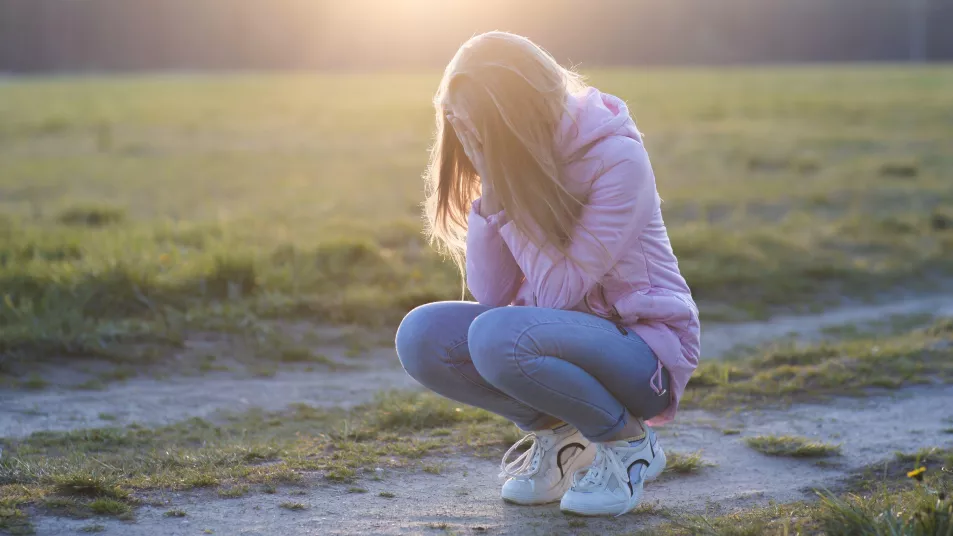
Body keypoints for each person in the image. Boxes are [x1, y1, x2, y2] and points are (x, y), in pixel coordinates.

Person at [395, 31, 700, 517]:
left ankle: (628, 445)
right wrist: (493, 194)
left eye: (479, 129)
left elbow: (557, 294)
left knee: (498, 337)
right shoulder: (512, 164)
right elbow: (492, 293)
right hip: (554, 337)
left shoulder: (617, 159)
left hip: (644, 354)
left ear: (516, 116)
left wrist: (505, 189)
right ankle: (563, 438)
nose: (469, 141)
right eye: (460, 126)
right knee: (421, 336)